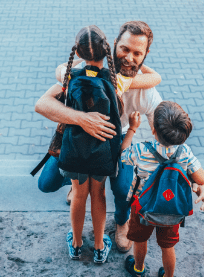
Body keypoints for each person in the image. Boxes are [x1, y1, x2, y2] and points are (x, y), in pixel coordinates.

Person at [35, 21, 162, 253]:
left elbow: (160, 131)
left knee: (124, 186)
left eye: (137, 53)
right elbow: (42, 103)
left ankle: (118, 223)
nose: (129, 58)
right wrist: (82, 118)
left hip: (103, 145)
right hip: (91, 142)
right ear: (112, 46)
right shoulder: (104, 77)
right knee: (52, 184)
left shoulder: (136, 86)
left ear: (146, 55)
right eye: (124, 49)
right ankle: (96, 240)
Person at [120, 101, 204, 277]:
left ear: (153, 130)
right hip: (171, 208)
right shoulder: (184, 152)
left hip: (142, 207)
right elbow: (201, 178)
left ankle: (138, 269)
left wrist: (132, 129)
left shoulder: (140, 150)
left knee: (140, 241)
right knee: (168, 247)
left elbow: (123, 154)